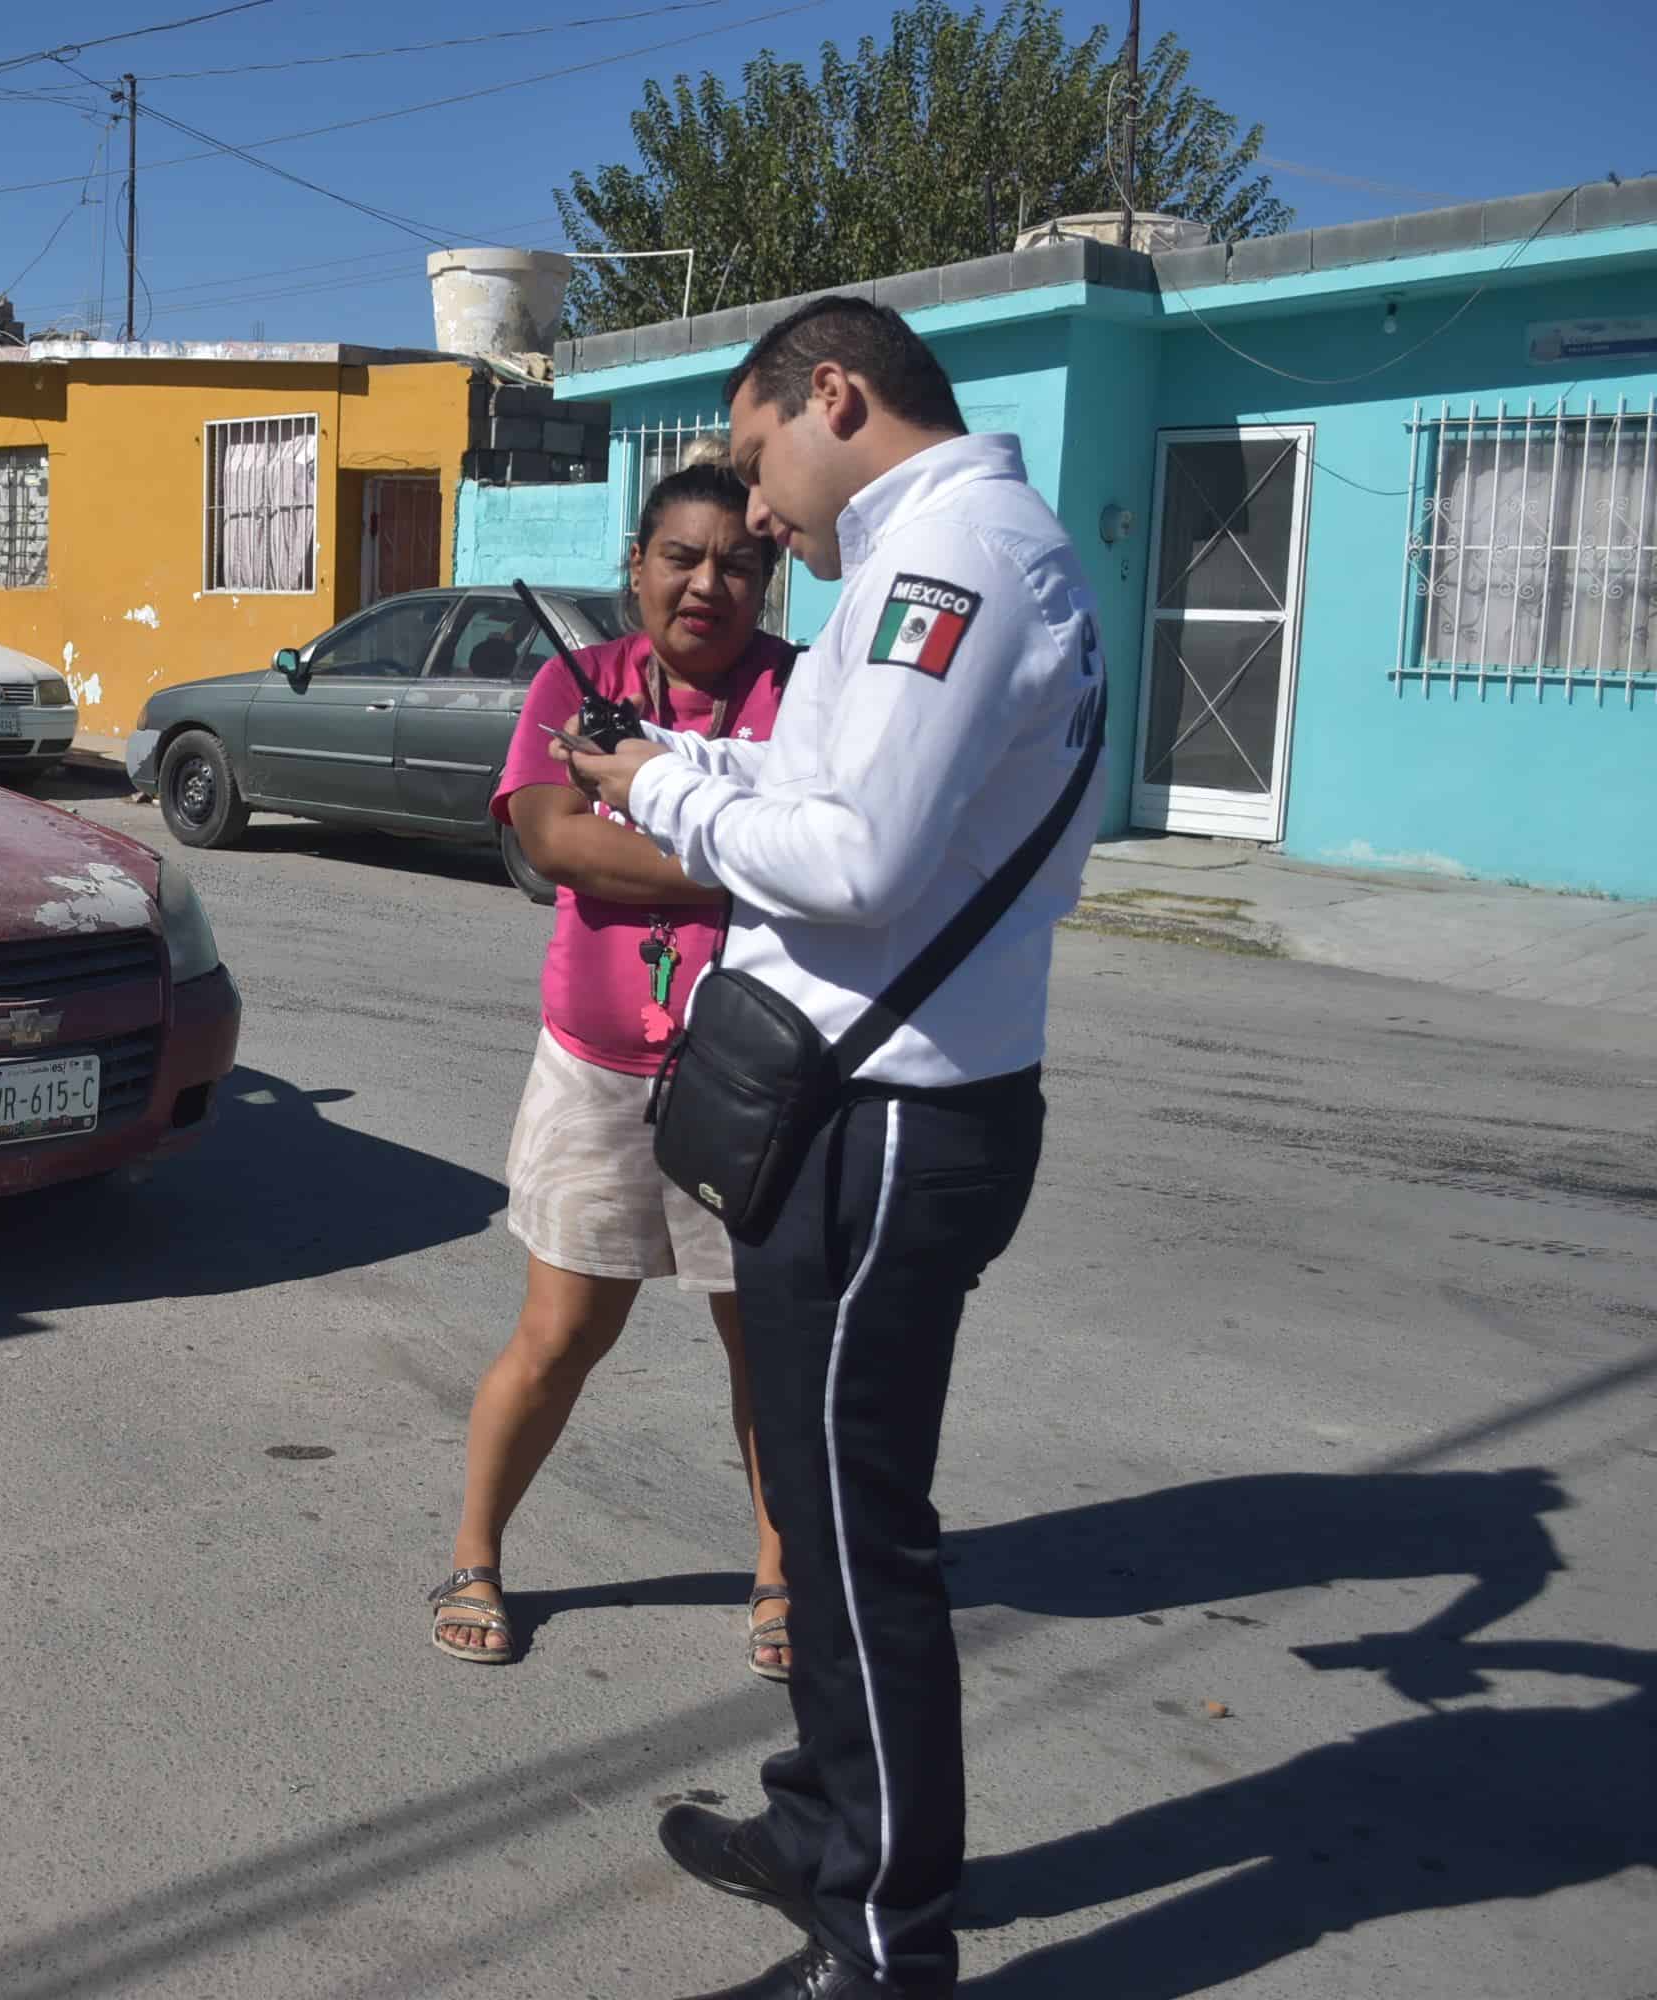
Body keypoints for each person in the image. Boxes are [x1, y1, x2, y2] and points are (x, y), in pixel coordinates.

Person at [563, 297, 1107, 1999]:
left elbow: (857, 861)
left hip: (890, 1123)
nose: (751, 508)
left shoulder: (954, 564)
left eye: (749, 456)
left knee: (857, 1536)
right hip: (861, 1104)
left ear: (833, 395)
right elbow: (819, 778)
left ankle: (882, 1942)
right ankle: (819, 1821)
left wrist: (653, 786)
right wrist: (685, 760)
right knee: (810, 1497)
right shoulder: (922, 559)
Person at [427, 449, 798, 1682]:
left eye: (738, 562)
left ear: (771, 574)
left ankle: (780, 1577)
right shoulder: (573, 681)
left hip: (755, 1081)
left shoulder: (801, 696)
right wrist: (755, 855)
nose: (708, 584)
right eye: (682, 557)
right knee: (559, 1330)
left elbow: (848, 847)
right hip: (597, 1068)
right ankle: (474, 1554)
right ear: (634, 568)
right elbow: (553, 839)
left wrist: (682, 828)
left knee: (768, 1348)